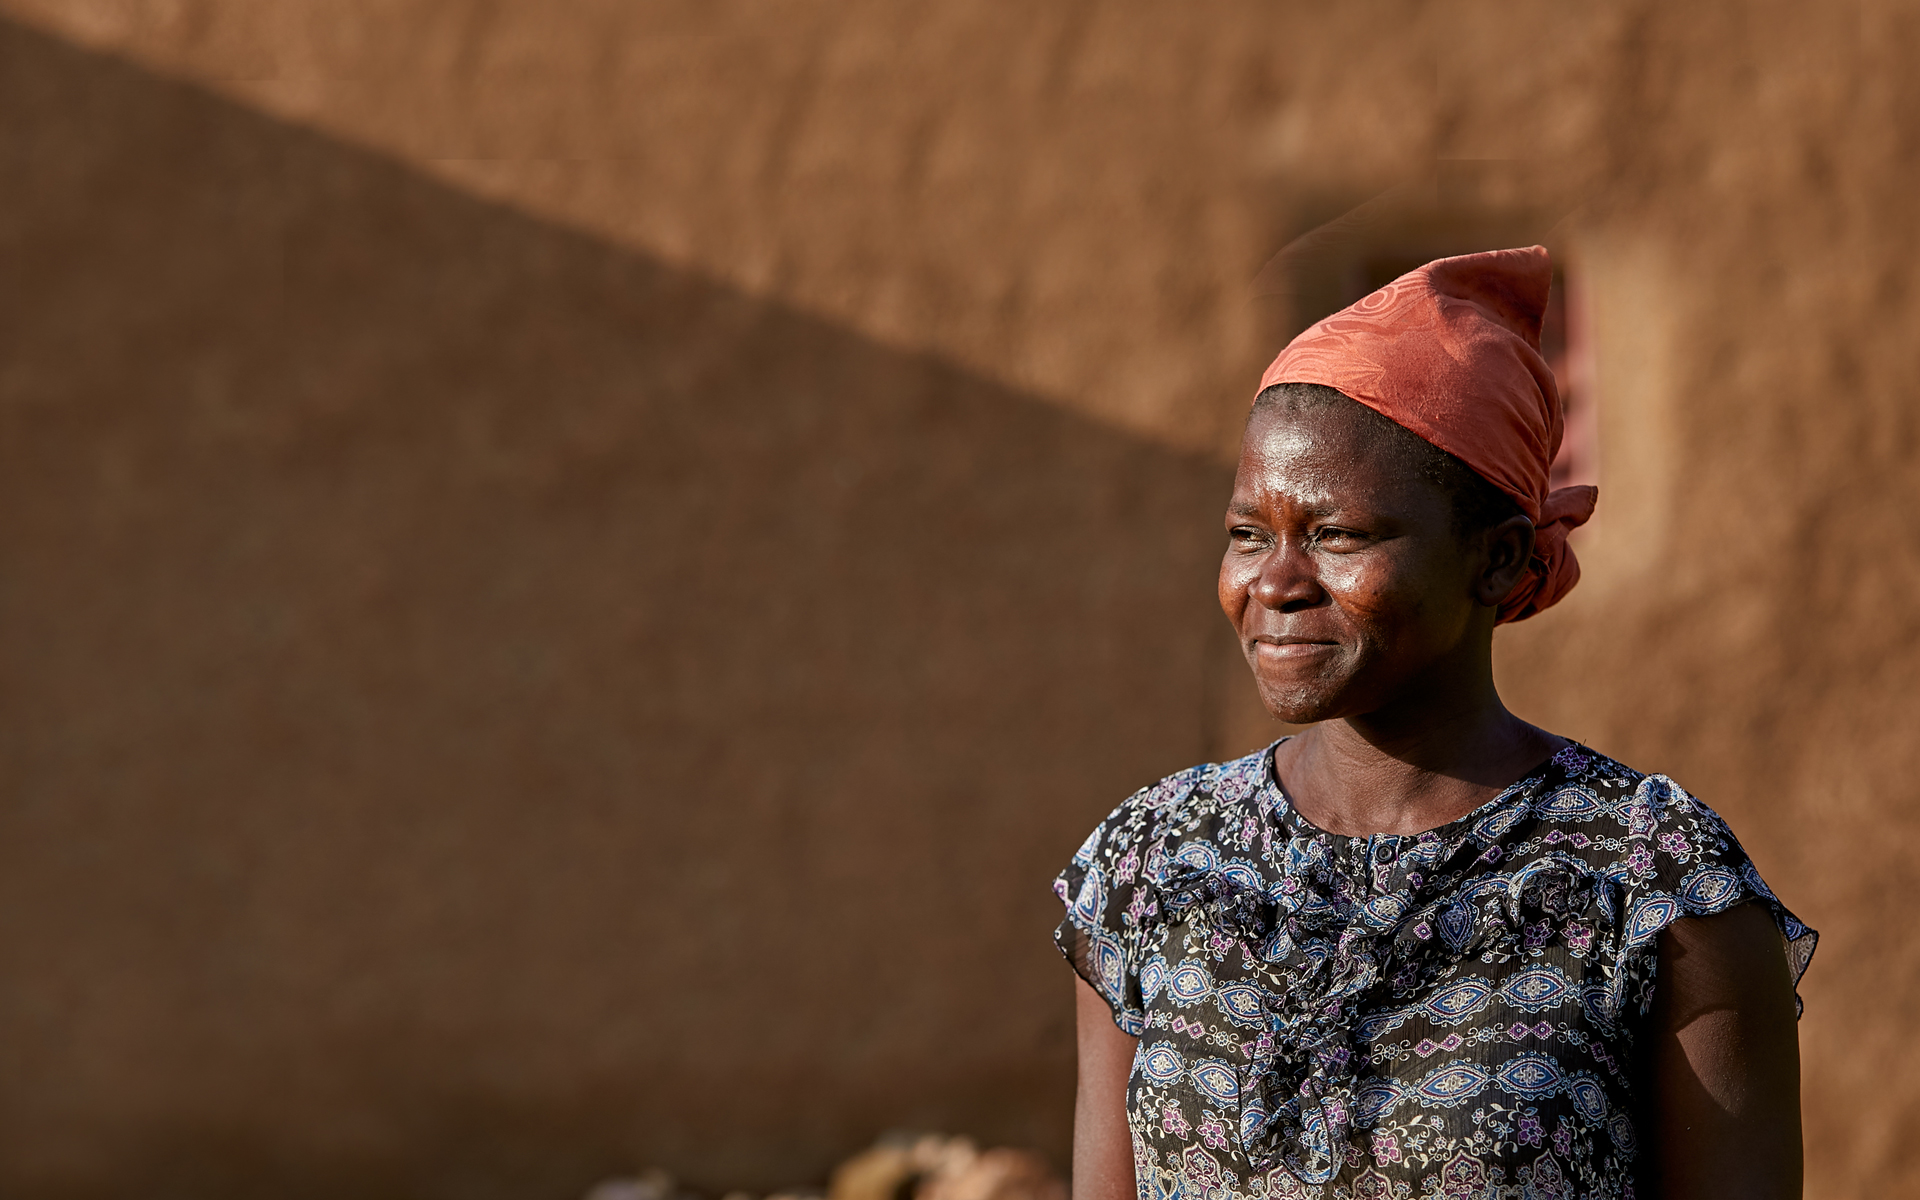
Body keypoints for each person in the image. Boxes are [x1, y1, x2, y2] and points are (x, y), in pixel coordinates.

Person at [1053, 247, 1815, 1200]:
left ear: (1495, 561)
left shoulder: (1654, 884)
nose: (1274, 584)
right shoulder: (1151, 864)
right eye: (1249, 534)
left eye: (1337, 536)